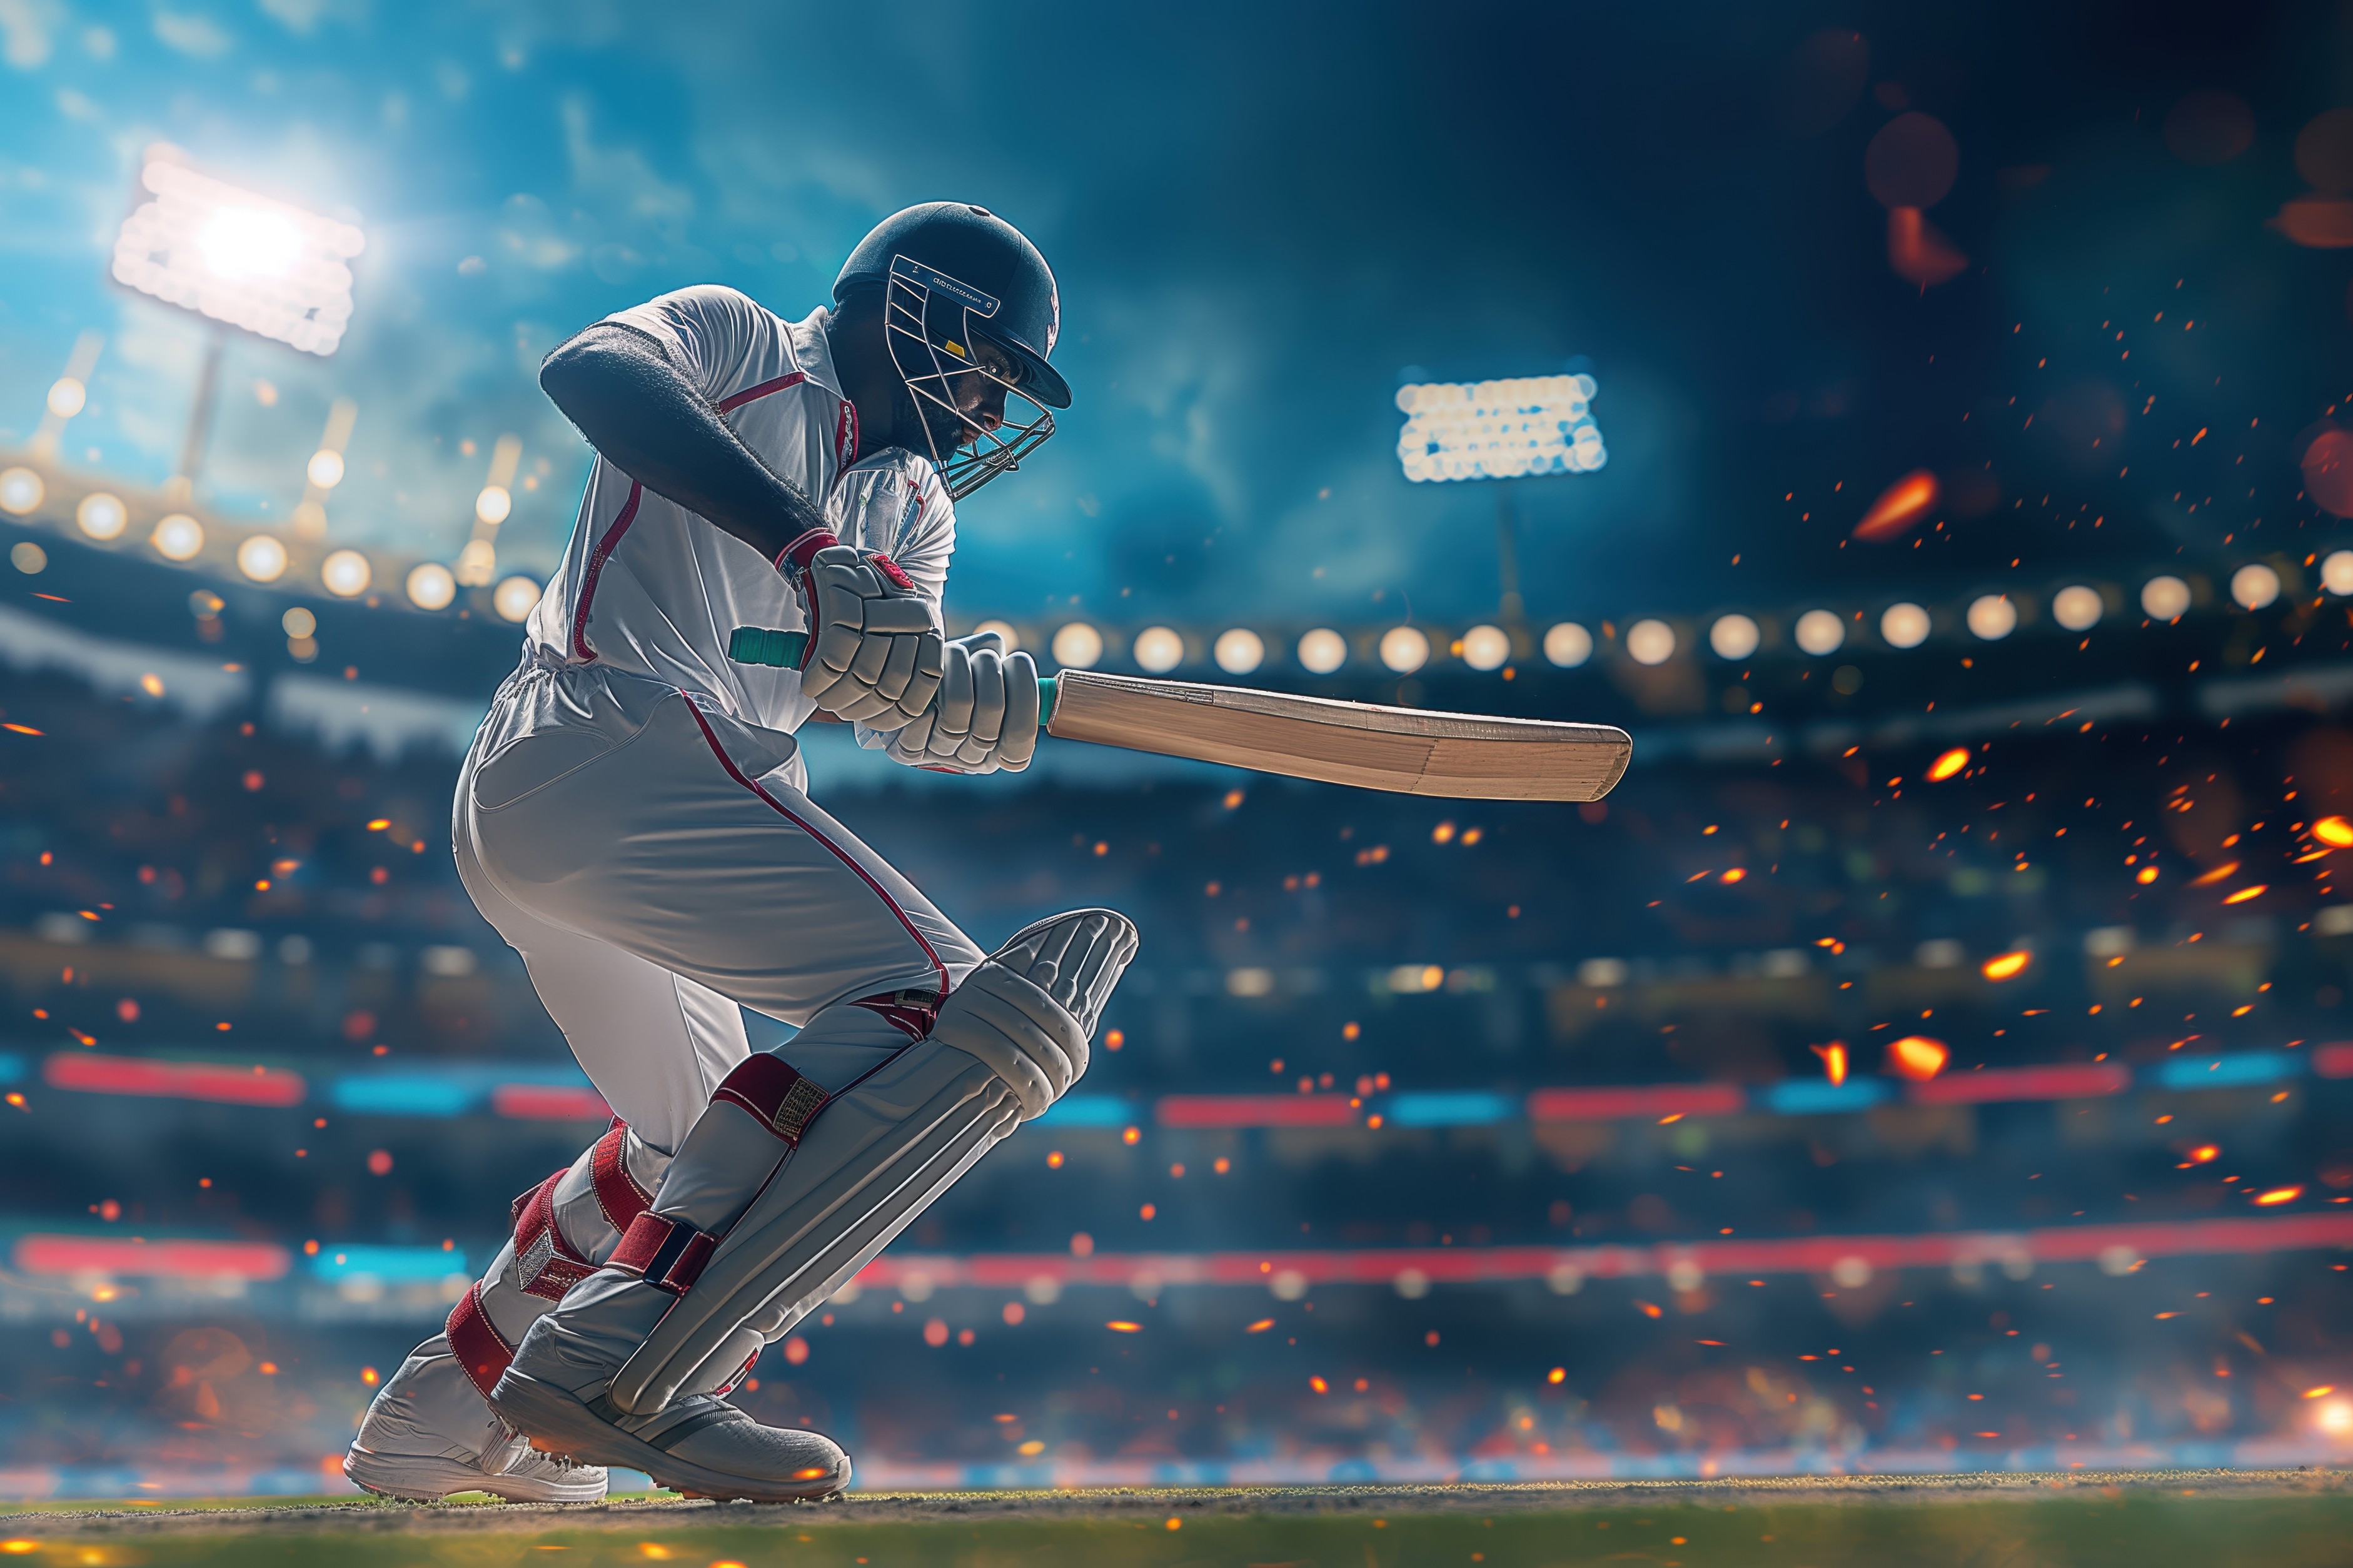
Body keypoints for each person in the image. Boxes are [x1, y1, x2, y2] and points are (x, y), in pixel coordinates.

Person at [343, 203, 1138, 1504]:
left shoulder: (915, 505)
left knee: (691, 1147)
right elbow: (592, 372)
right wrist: (807, 547)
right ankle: (624, 1373)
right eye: (989, 367)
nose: (992, 409)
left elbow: (864, 676)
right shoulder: (742, 339)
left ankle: (449, 1411)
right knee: (957, 1010)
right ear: (912, 307)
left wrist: (956, 709)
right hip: (609, 735)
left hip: (592, 802)